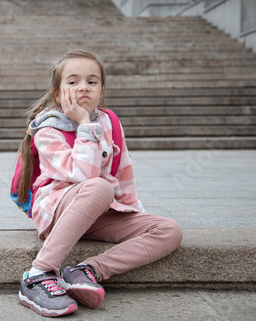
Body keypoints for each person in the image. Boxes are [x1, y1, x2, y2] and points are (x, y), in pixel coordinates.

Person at [16, 49, 182, 317]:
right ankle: (37, 274)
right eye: (73, 82)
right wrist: (83, 124)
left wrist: (129, 220)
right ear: (58, 93)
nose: (83, 87)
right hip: (60, 209)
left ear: (101, 91)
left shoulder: (109, 121)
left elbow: (124, 175)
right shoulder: (47, 130)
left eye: (92, 82)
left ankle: (86, 271)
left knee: (169, 229)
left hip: (99, 210)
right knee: (99, 187)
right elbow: (84, 176)